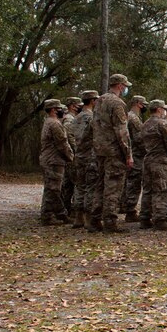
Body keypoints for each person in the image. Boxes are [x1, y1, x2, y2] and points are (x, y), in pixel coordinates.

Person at [91, 73, 133, 233]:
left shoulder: (99, 101)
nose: (125, 89)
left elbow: (93, 126)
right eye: (125, 86)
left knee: (100, 185)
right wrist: (128, 154)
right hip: (114, 151)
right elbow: (122, 131)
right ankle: (110, 222)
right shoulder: (117, 103)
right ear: (120, 86)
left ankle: (94, 220)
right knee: (113, 186)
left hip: (100, 150)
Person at [138, 100, 167, 231]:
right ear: (160, 109)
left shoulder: (145, 124)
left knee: (148, 190)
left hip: (148, 159)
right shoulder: (163, 124)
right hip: (160, 160)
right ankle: (160, 219)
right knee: (161, 189)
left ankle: (144, 218)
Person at [39, 99, 74, 225]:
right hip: (54, 160)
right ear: (53, 110)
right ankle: (61, 214)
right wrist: (71, 157)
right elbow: (62, 144)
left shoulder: (48, 122)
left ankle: (47, 215)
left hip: (49, 159)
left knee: (49, 189)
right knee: (54, 189)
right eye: (59, 109)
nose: (62, 111)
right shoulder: (54, 124)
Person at [72, 91, 99, 229]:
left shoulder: (76, 118)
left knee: (79, 186)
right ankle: (88, 218)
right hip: (90, 156)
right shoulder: (91, 117)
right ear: (93, 101)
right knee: (90, 187)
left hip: (79, 156)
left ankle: (78, 217)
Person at [122, 95, 147, 222]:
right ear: (138, 103)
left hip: (132, 154)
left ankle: (127, 208)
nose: (145, 107)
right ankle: (130, 211)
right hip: (136, 155)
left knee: (129, 182)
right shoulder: (134, 118)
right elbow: (139, 139)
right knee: (134, 183)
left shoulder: (130, 116)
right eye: (144, 104)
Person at [60, 96, 81, 217]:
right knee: (73, 183)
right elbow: (69, 137)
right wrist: (76, 151)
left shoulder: (71, 118)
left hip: (69, 156)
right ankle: (69, 209)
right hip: (71, 156)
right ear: (73, 106)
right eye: (79, 105)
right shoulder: (69, 119)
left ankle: (66, 208)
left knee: (68, 184)